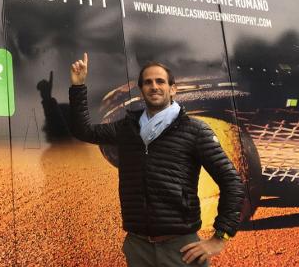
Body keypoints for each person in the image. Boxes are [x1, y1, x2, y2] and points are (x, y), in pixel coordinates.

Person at [69, 53, 244, 266]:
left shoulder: (195, 130)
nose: (154, 86)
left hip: (181, 248)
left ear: (173, 89)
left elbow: (232, 182)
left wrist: (220, 239)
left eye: (160, 81)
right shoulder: (127, 128)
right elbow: (84, 131)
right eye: (148, 82)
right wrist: (78, 87)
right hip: (138, 247)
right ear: (142, 90)